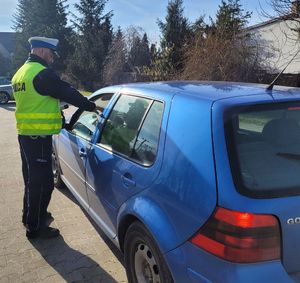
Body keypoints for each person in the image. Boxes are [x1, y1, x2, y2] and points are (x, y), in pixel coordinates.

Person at [12, 36, 100, 239]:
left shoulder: (20, 73)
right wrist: (91, 106)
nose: (52, 58)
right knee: (43, 184)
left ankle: (30, 216)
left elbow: (36, 102)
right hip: (38, 138)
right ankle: (35, 228)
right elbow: (67, 92)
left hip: (25, 135)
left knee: (31, 180)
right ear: (42, 51)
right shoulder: (42, 74)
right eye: (51, 54)